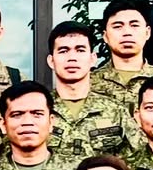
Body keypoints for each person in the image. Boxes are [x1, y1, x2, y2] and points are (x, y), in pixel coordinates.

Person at [43, 22, 136, 156]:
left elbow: (137, 158)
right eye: (63, 51)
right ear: (51, 61)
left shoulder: (116, 111)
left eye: (80, 50)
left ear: (93, 59)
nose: (72, 58)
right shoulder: (38, 112)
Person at [91, 0, 153, 105]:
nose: (127, 32)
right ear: (105, 36)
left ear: (147, 33)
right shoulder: (88, 83)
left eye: (134, 25)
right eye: (118, 26)